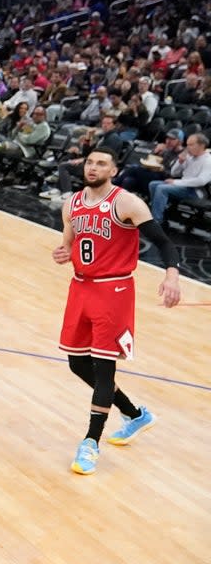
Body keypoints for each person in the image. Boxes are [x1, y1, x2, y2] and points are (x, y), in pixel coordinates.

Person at [52, 146, 183, 475]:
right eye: (90, 162)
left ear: (113, 170)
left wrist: (171, 275)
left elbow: (164, 242)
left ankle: (91, 442)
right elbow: (69, 242)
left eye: (101, 164)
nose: (93, 167)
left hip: (114, 290)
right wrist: (64, 252)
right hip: (80, 287)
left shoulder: (126, 203)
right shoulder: (73, 203)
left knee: (104, 367)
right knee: (77, 363)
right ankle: (135, 413)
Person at [146, 132, 210, 225]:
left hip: (196, 191)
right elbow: (174, 173)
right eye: (187, 145)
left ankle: (156, 221)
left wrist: (176, 182)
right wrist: (179, 162)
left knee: (162, 188)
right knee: (153, 184)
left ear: (201, 145)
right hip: (183, 187)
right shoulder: (189, 157)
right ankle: (161, 212)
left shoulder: (208, 160)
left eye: (191, 145)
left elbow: (201, 181)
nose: (188, 148)